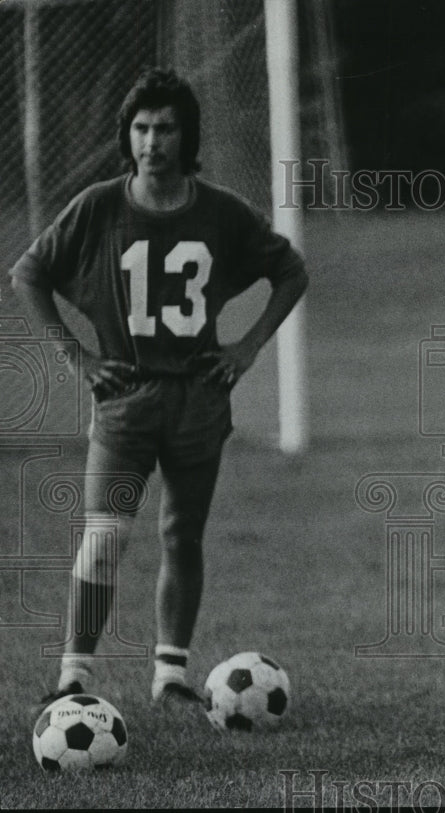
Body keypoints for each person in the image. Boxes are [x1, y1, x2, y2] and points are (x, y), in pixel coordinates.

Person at [11, 68, 308, 707]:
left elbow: (290, 270)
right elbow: (28, 274)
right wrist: (77, 358)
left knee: (182, 533)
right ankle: (74, 678)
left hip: (197, 399)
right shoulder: (98, 206)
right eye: (141, 128)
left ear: (186, 135)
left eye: (165, 128)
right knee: (106, 534)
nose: (152, 141)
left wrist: (249, 344)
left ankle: (169, 675)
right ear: (128, 134)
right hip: (124, 400)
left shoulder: (223, 210)